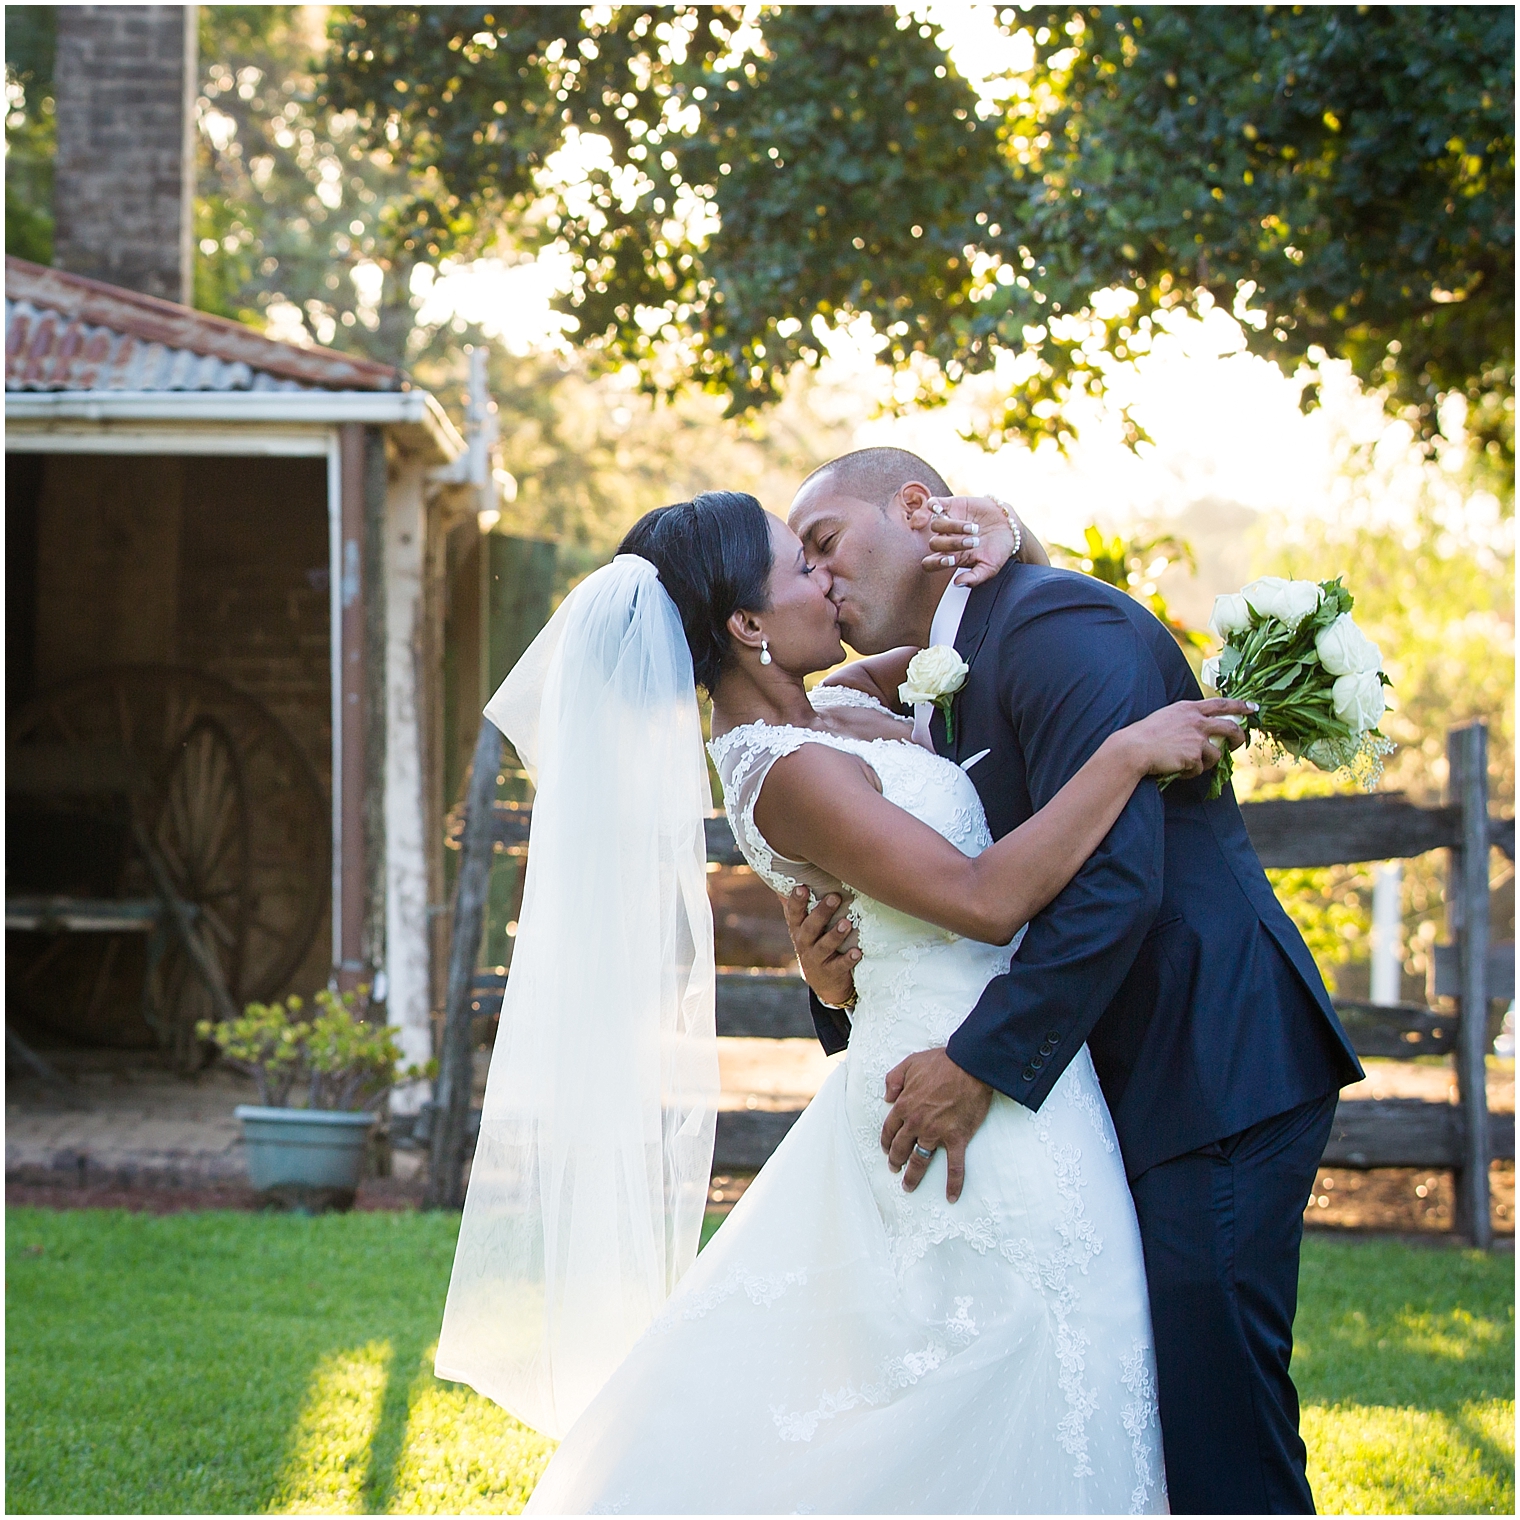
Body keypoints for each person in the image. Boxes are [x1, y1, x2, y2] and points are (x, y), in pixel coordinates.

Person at [435, 487, 1251, 1514]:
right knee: (1029, 1352)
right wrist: (1125, 751)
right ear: (744, 624)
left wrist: (1005, 537)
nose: (825, 581)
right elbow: (982, 899)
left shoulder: (838, 707)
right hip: (953, 1092)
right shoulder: (785, 770)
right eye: (800, 567)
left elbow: (963, 638)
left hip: (1009, 1070)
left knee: (1042, 1359)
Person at [783, 447, 1366, 1514]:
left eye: (824, 543)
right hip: (1101, 1083)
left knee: (1216, 1421)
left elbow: (1112, 884)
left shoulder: (1059, 626)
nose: (815, 579)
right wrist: (833, 988)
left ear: (920, 510)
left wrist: (978, 1064)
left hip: (1207, 1058)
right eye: (799, 567)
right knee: (1134, 1406)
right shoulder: (940, 674)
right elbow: (950, 891)